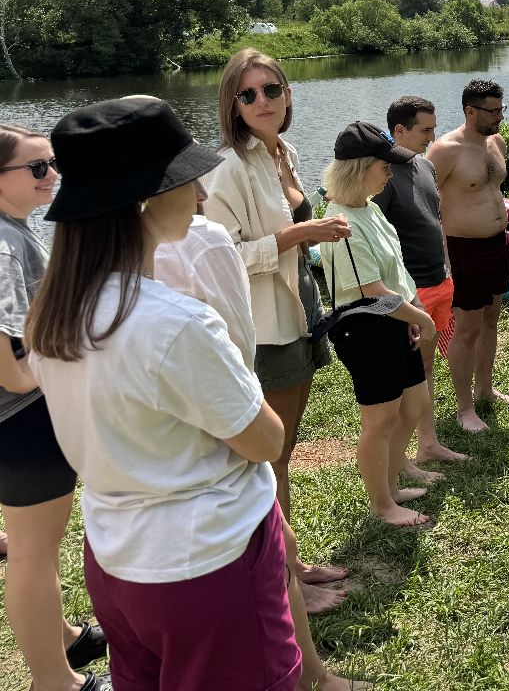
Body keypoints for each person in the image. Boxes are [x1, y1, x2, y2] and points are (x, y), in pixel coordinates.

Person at [28, 97, 299, 691]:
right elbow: (264, 440)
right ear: (147, 200)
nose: (201, 195)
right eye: (187, 180)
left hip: (115, 559)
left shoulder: (51, 316)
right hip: (206, 565)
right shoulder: (174, 324)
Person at [154, 185, 368, 691]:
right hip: (216, 456)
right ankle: (311, 668)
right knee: (269, 503)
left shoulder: (72, 300)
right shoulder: (202, 244)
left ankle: (300, 599)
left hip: (124, 542)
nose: (203, 191)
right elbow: (235, 337)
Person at [204, 48, 354, 612]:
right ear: (233, 105)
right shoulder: (228, 168)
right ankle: (280, 583)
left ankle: (288, 562)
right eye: (249, 94)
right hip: (264, 327)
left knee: (283, 452)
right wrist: (298, 236)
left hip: (299, 312)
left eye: (272, 89)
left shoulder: (282, 153)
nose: (263, 100)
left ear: (288, 94)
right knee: (270, 457)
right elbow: (222, 257)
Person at [0, 123, 109, 691]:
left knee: (37, 544)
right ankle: (53, 679)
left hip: (23, 419)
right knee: (33, 553)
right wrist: (46, 375)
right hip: (20, 421)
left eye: (52, 164)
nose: (52, 176)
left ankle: (63, 635)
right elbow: (10, 368)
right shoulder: (1, 244)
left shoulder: (14, 231)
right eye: (37, 168)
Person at [315, 123, 438, 529]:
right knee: (380, 419)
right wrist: (419, 316)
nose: (390, 172)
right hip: (367, 328)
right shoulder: (342, 223)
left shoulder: (369, 209)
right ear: (361, 168)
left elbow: (396, 274)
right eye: (384, 166)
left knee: (415, 405)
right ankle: (383, 505)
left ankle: (392, 483)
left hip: (394, 319)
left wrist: (413, 309)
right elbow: (370, 291)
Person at [374, 96, 466, 464]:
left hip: (438, 281)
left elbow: (436, 221)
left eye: (433, 127)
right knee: (405, 378)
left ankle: (427, 444)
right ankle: (398, 460)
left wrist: (447, 267)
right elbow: (372, 238)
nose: (433, 136)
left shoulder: (425, 167)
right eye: (425, 129)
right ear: (399, 130)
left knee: (425, 369)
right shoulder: (380, 176)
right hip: (409, 292)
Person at [427, 79, 509, 432]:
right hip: (462, 249)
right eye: (492, 111)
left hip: (498, 243)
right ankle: (464, 409)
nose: (499, 117)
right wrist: (443, 257)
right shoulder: (445, 150)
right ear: (470, 110)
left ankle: (485, 390)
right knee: (466, 329)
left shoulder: (496, 143)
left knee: (491, 319)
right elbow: (426, 205)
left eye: (501, 109)